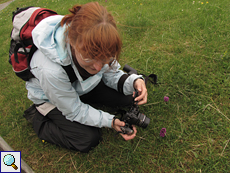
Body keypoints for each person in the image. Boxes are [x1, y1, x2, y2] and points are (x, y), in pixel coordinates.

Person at [24, 2, 148, 153]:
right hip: (50, 98)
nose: (97, 67)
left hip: (80, 86)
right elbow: (74, 110)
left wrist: (135, 81)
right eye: (89, 58)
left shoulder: (100, 45)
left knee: (130, 96)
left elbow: (112, 74)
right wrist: (110, 121)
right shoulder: (50, 70)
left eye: (104, 59)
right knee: (87, 139)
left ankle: (85, 99)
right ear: (72, 41)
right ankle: (38, 118)